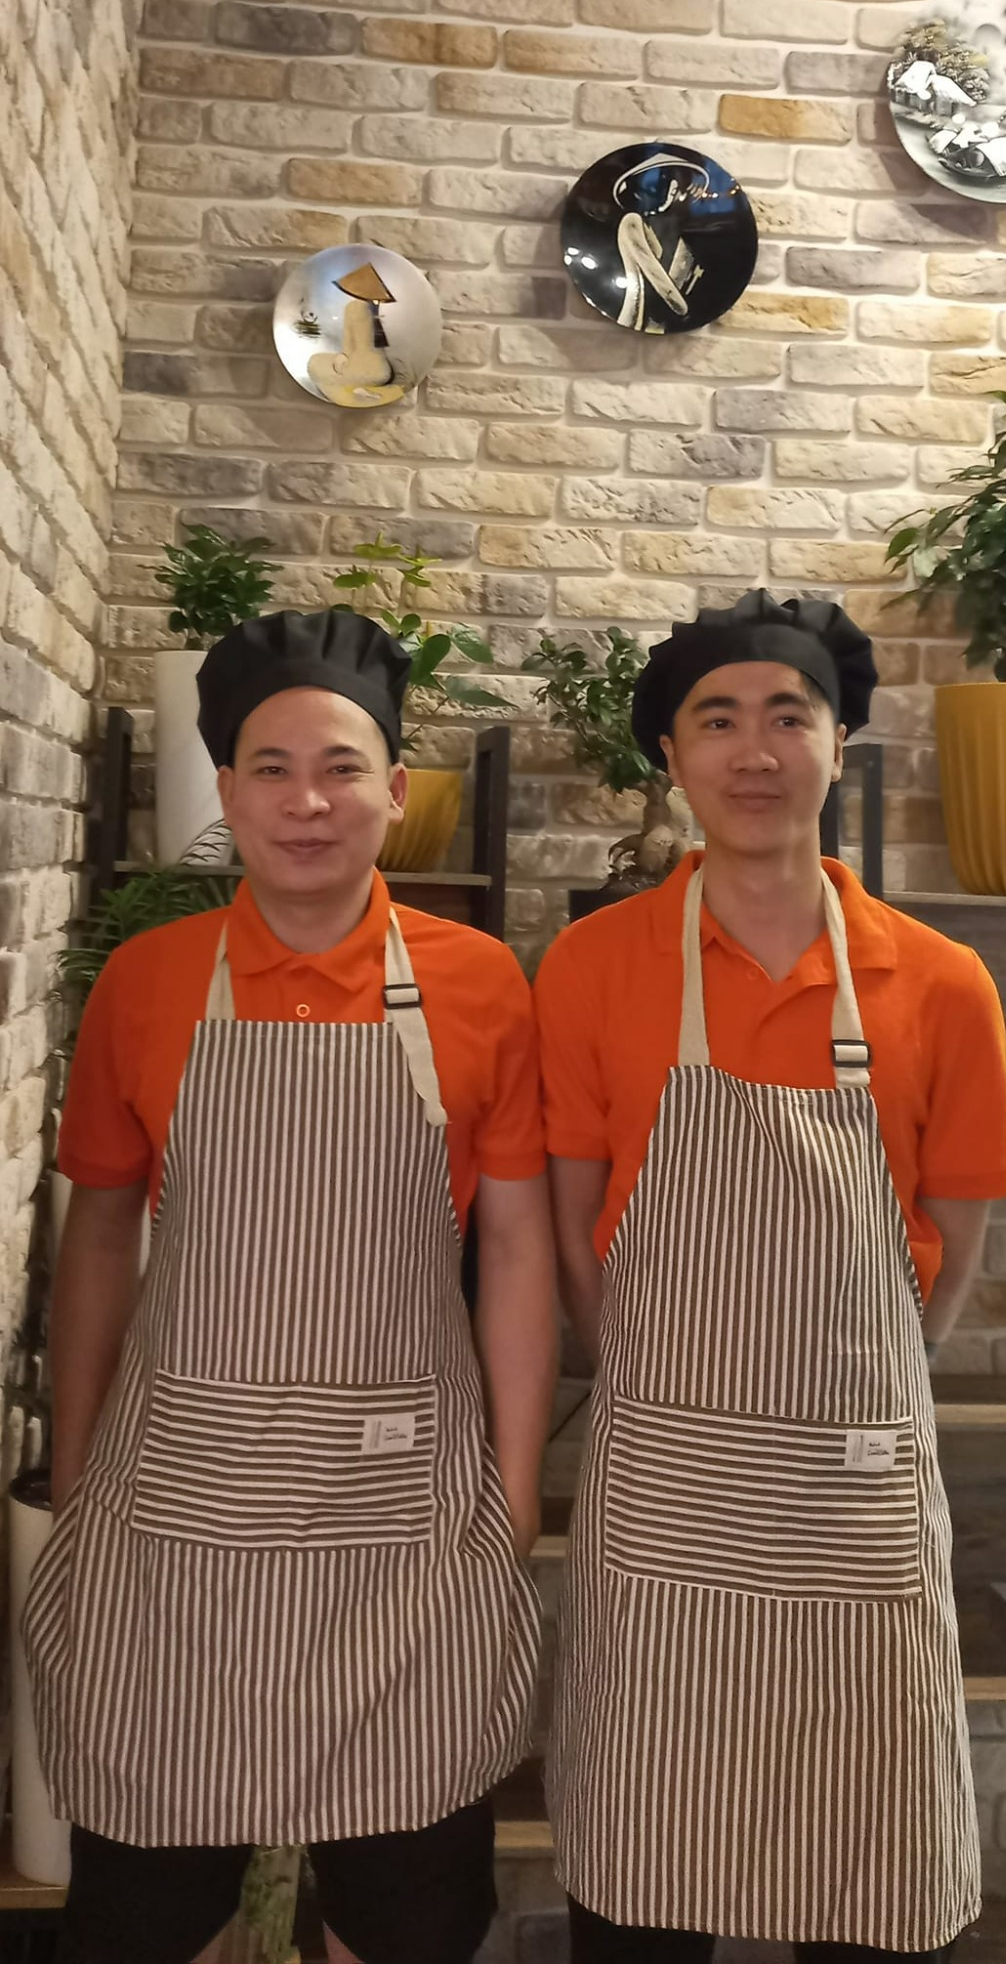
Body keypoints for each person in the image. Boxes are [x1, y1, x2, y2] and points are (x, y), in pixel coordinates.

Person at [27, 608, 557, 1964]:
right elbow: (100, 1234)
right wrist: (77, 1470)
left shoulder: (481, 984)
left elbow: (514, 1247)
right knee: (142, 1909)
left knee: (412, 1912)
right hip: (178, 1525)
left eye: (341, 767)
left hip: (404, 1527)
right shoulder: (146, 984)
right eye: (270, 768)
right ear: (227, 789)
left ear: (396, 789)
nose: (307, 801)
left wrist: (510, 1488)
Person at [534, 593, 1006, 1963]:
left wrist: (864, 1387)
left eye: (788, 717)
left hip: (854, 1506)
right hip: (665, 1509)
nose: (755, 751)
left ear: (839, 741)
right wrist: (662, 1386)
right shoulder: (592, 966)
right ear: (673, 756)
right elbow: (574, 1231)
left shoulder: (944, 984)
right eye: (718, 720)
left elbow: (954, 1240)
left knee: (868, 1885)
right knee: (643, 1887)